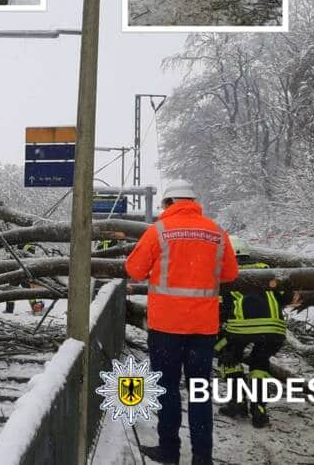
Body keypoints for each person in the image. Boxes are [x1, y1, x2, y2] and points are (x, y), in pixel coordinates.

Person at [125, 181, 238, 465]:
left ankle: (170, 452)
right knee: (200, 391)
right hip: (203, 328)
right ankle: (202, 457)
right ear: (193, 202)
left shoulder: (159, 231)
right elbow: (230, 273)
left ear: (167, 204)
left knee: (168, 389)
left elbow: (134, 270)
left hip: (166, 328)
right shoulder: (216, 232)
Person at [216, 236, 291, 428]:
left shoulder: (225, 273)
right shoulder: (266, 269)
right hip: (275, 328)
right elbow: (286, 296)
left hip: (241, 328)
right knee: (260, 362)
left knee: (227, 353)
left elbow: (221, 309)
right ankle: (259, 410)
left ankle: (238, 401)